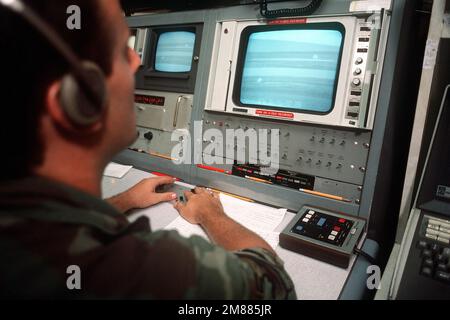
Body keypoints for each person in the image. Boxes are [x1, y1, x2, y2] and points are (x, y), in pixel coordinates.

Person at [0, 0, 296, 299]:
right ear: (78, 101)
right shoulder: (130, 271)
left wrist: (123, 200)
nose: (137, 61)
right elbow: (272, 285)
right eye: (121, 51)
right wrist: (211, 215)